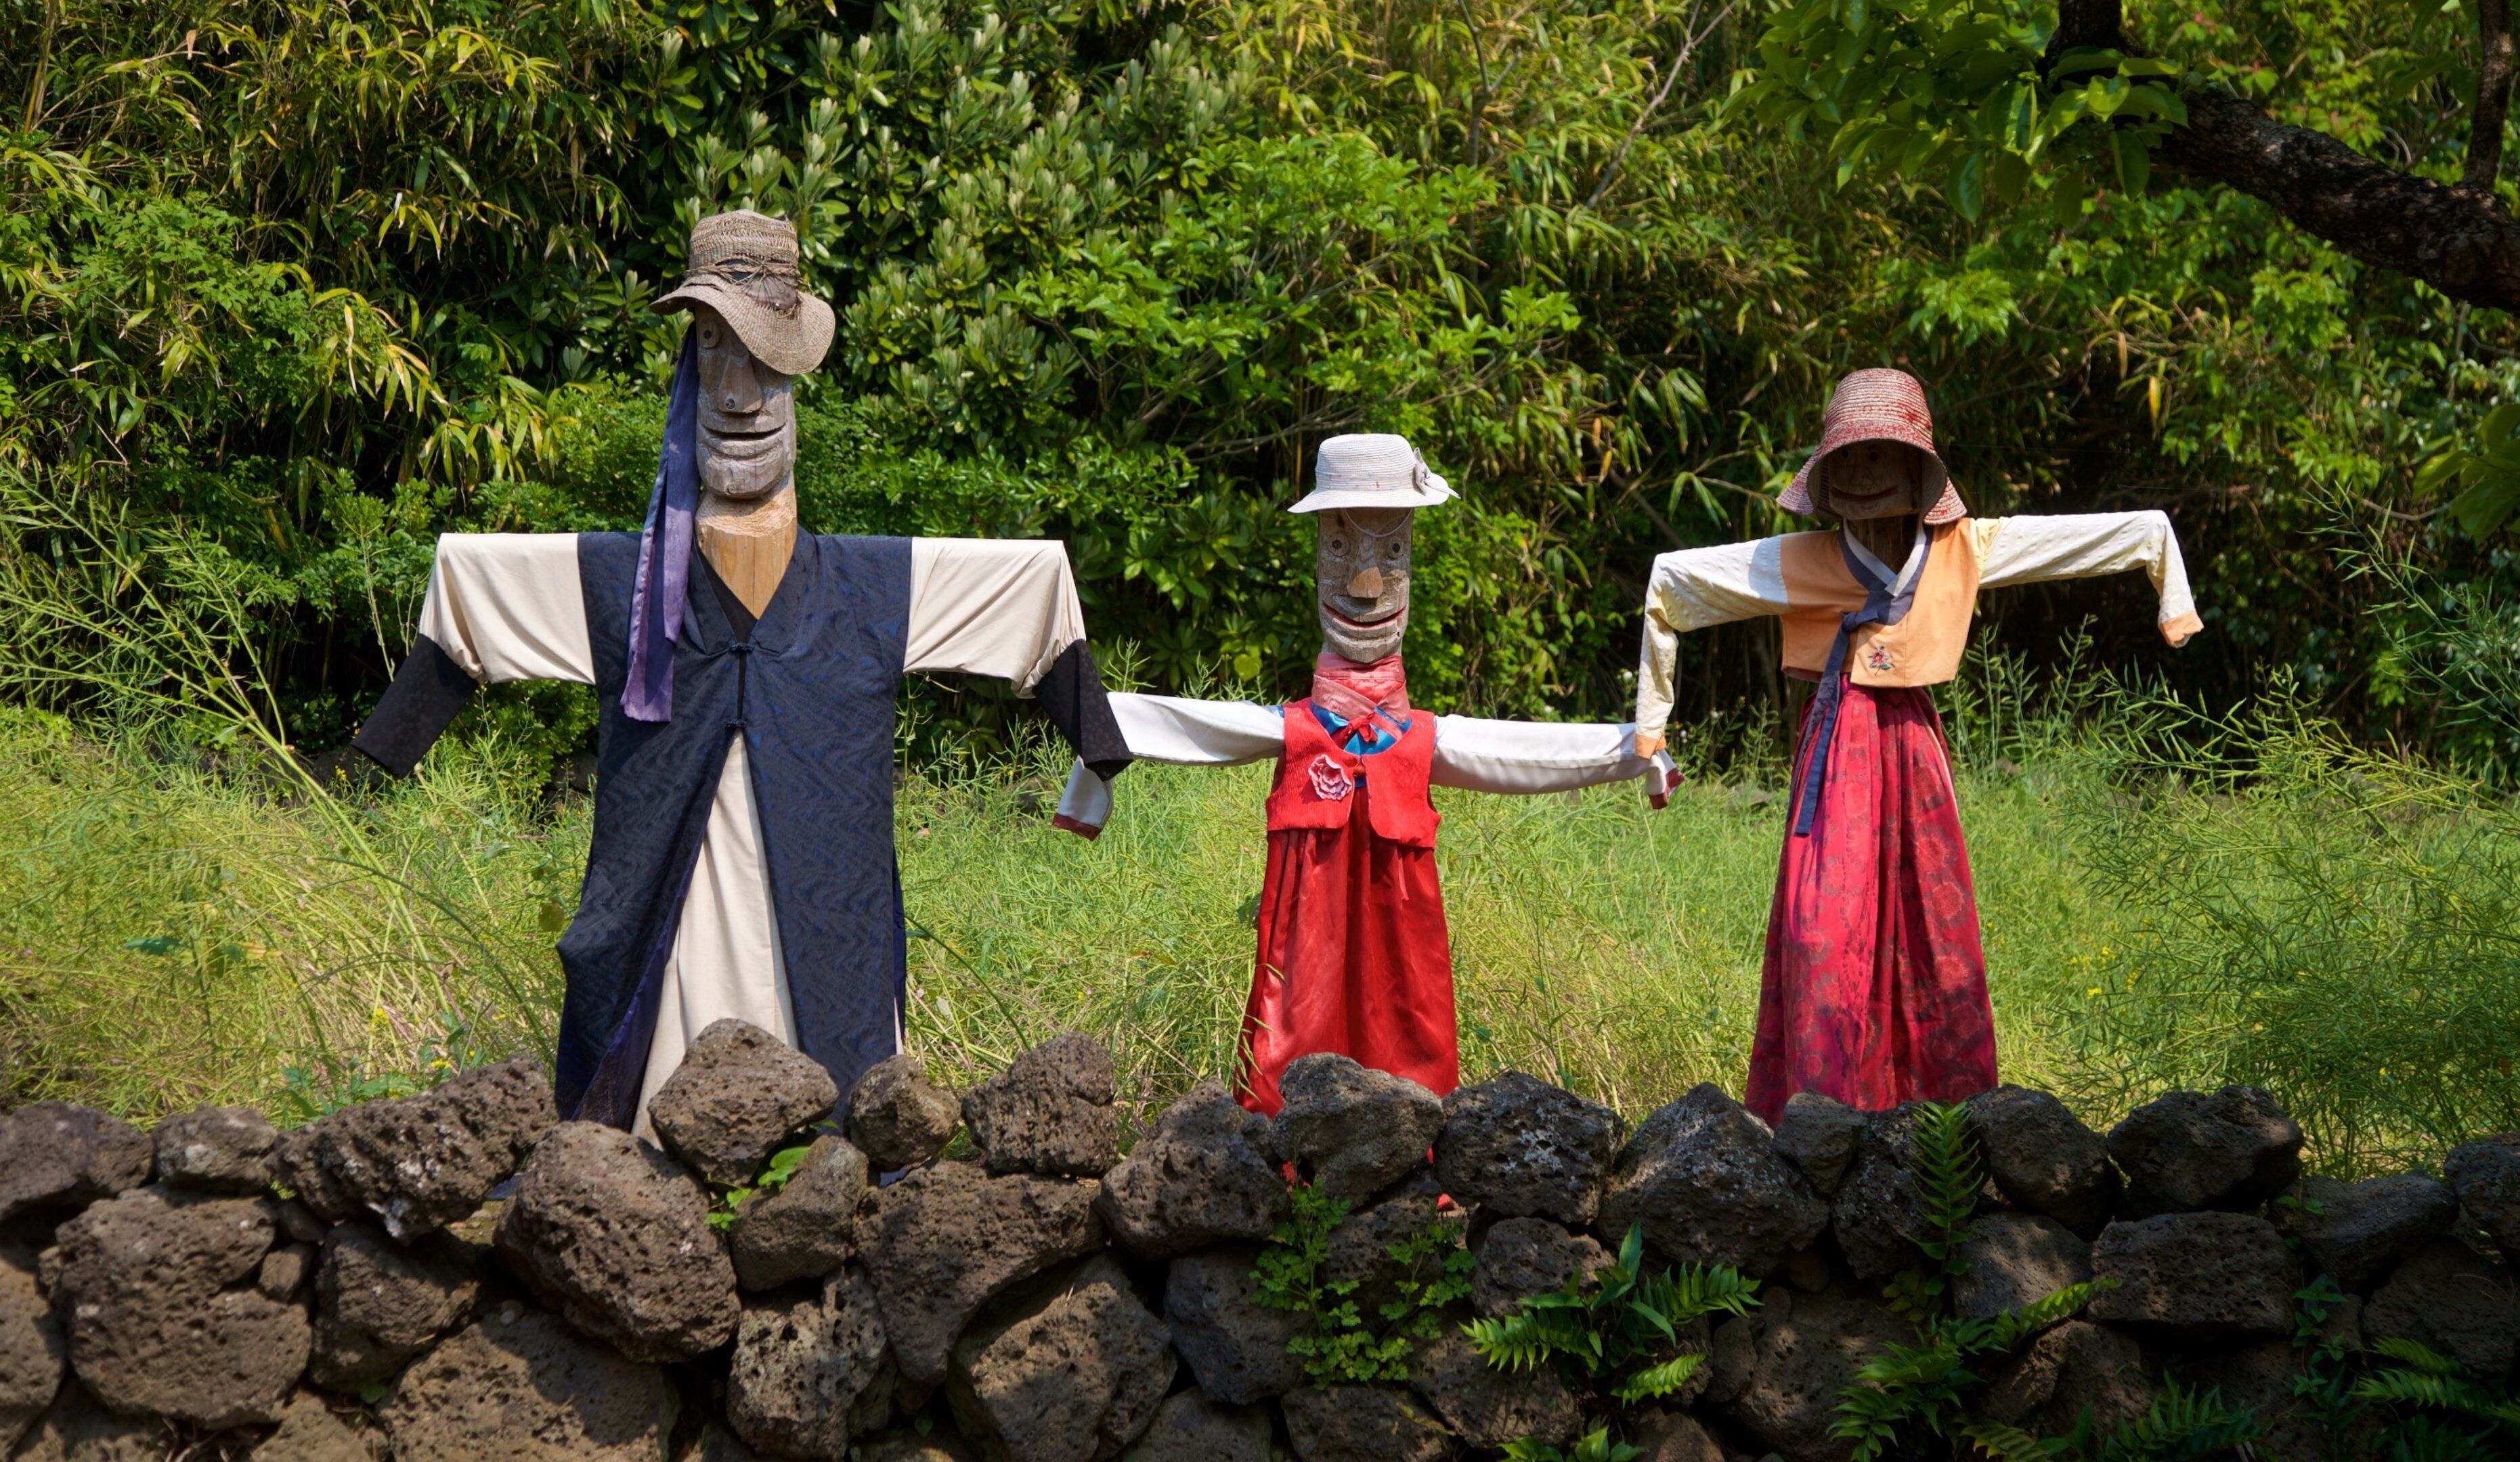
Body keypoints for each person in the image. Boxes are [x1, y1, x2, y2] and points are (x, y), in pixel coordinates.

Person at [349, 211, 1129, 1131]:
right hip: (659, 954)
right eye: (715, 354)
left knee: (828, 1141)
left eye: (763, 364)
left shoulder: (868, 586)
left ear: (797, 381)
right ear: (688, 370)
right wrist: (379, 751)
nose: (739, 396)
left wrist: (1096, 752)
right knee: (650, 1144)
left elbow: (1032, 591)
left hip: (825, 945)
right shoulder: (627, 586)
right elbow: (473, 588)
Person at [1632, 368, 2202, 1122]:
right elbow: (1672, 583)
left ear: (1917, 470)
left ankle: (1941, 1126)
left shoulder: (1965, 549)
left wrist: (2171, 588)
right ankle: (1820, 1117)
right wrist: (1652, 729)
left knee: (1931, 930)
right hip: (1837, 753)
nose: (1868, 472)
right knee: (1822, 932)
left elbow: (2107, 535)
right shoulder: (1795, 560)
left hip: (1913, 751)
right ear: (1828, 474)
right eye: (1853, 457)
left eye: (1883, 455)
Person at [1053, 434, 1678, 1112]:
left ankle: (1408, 1153)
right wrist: (1096, 739)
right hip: (1302, 953)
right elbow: (1180, 724)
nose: (1366, 584)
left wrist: (1635, 748)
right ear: (1316, 559)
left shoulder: (1420, 739)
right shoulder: (1294, 731)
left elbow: (1518, 751)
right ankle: (1283, 1159)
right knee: (1290, 1023)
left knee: (1409, 1026)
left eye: (1393, 554)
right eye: (1340, 550)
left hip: (1403, 947)